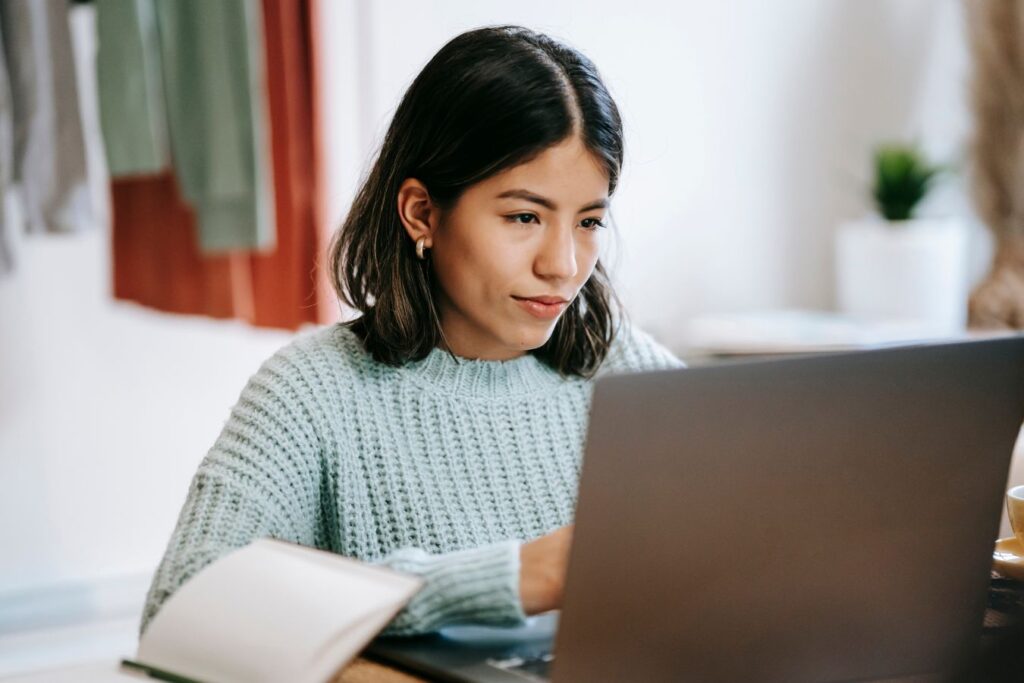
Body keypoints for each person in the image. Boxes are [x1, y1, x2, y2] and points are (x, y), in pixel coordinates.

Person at [139, 25, 684, 638]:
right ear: (422, 212)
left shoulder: (628, 372)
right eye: (524, 216)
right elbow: (178, 609)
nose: (562, 264)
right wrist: (506, 578)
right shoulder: (313, 393)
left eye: (588, 221)